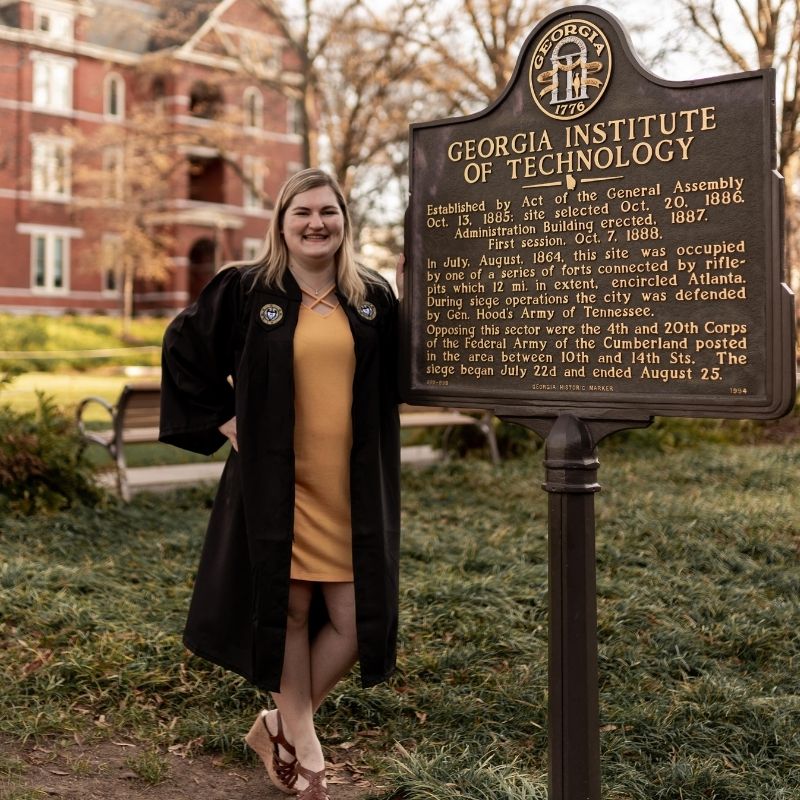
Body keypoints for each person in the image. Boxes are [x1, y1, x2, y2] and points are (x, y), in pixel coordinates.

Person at [159, 168, 401, 800]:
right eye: (303, 213)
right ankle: (304, 739)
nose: (316, 224)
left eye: (327, 212)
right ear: (282, 222)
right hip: (277, 481)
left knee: (353, 624)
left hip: (348, 484)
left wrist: (417, 287)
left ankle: (277, 724)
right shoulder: (246, 289)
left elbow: (404, 373)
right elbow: (183, 346)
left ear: (345, 221)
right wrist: (222, 416)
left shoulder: (370, 296)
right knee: (289, 607)